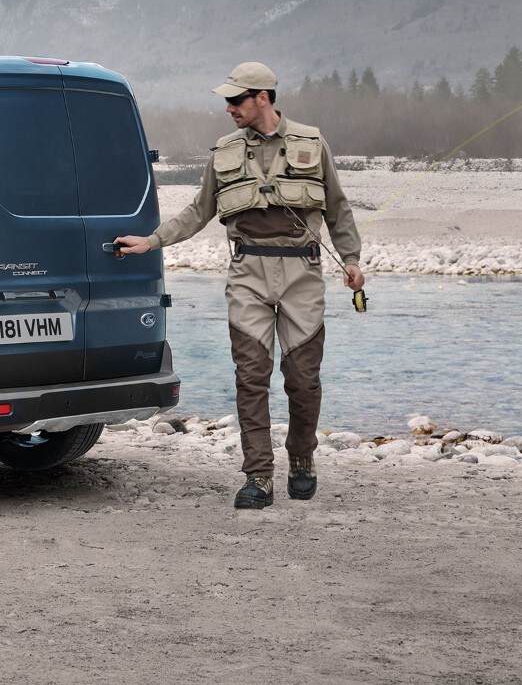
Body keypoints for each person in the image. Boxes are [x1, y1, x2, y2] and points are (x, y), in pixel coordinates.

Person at [114, 62, 365, 509]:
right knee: (251, 377)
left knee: (303, 381)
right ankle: (259, 476)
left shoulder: (313, 141)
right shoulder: (223, 151)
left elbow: (338, 210)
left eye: (236, 100)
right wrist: (150, 241)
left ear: (262, 98)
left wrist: (351, 260)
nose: (228, 108)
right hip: (247, 272)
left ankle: (302, 458)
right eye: (227, 100)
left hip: (303, 276)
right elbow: (197, 211)